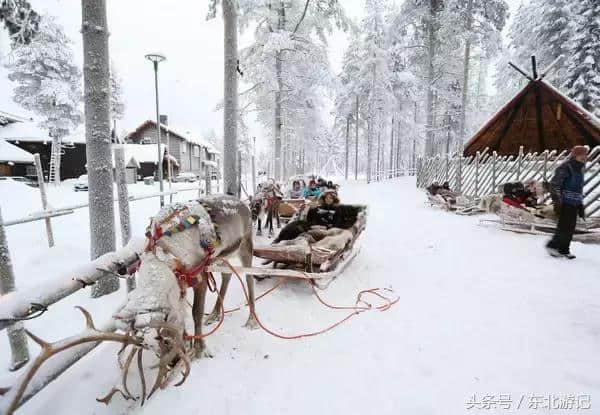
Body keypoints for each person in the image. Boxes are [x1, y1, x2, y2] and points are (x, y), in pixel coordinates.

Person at [546, 145, 588, 259]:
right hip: (565, 202)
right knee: (564, 227)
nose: (584, 157)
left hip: (574, 202)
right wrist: (558, 202)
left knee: (570, 228)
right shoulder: (566, 167)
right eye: (582, 154)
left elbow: (578, 188)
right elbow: (555, 185)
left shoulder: (580, 168)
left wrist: (580, 204)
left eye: (585, 154)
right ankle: (554, 246)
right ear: (575, 155)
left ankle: (562, 249)